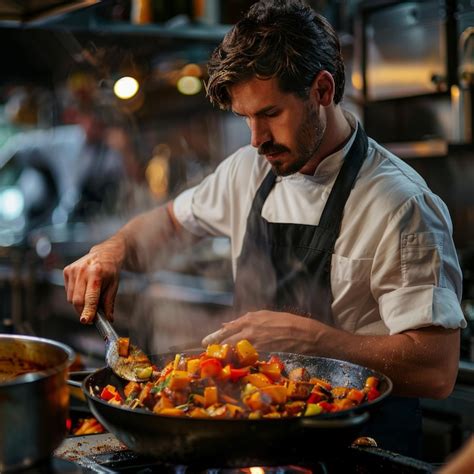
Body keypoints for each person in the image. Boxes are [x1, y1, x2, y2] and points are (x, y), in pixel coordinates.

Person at [63, 0, 466, 457]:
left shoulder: (400, 204)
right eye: (245, 118)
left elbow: (437, 369)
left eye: (270, 114)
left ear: (322, 90)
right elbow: (171, 222)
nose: (256, 139)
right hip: (245, 441)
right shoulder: (247, 171)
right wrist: (112, 249)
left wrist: (317, 342)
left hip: (356, 449)